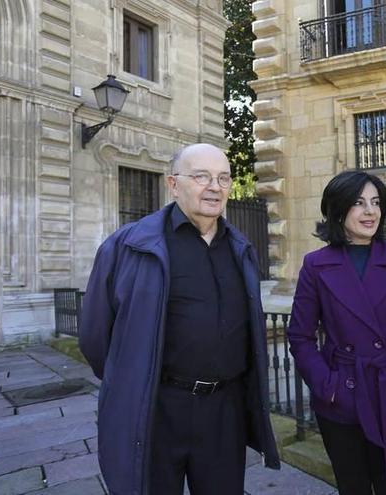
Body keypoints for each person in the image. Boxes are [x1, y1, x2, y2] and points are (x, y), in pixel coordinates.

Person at [79, 143, 280, 494]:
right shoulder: (127, 246)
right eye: (201, 176)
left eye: (223, 178)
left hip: (224, 411)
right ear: (174, 184)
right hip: (157, 409)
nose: (214, 187)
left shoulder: (240, 248)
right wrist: (132, 381)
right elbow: (96, 338)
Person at [288, 170, 386, 495]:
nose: (371, 211)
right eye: (359, 203)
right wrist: (329, 386)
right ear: (338, 209)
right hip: (342, 397)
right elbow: (300, 336)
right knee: (351, 487)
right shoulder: (316, 264)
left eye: (376, 202)